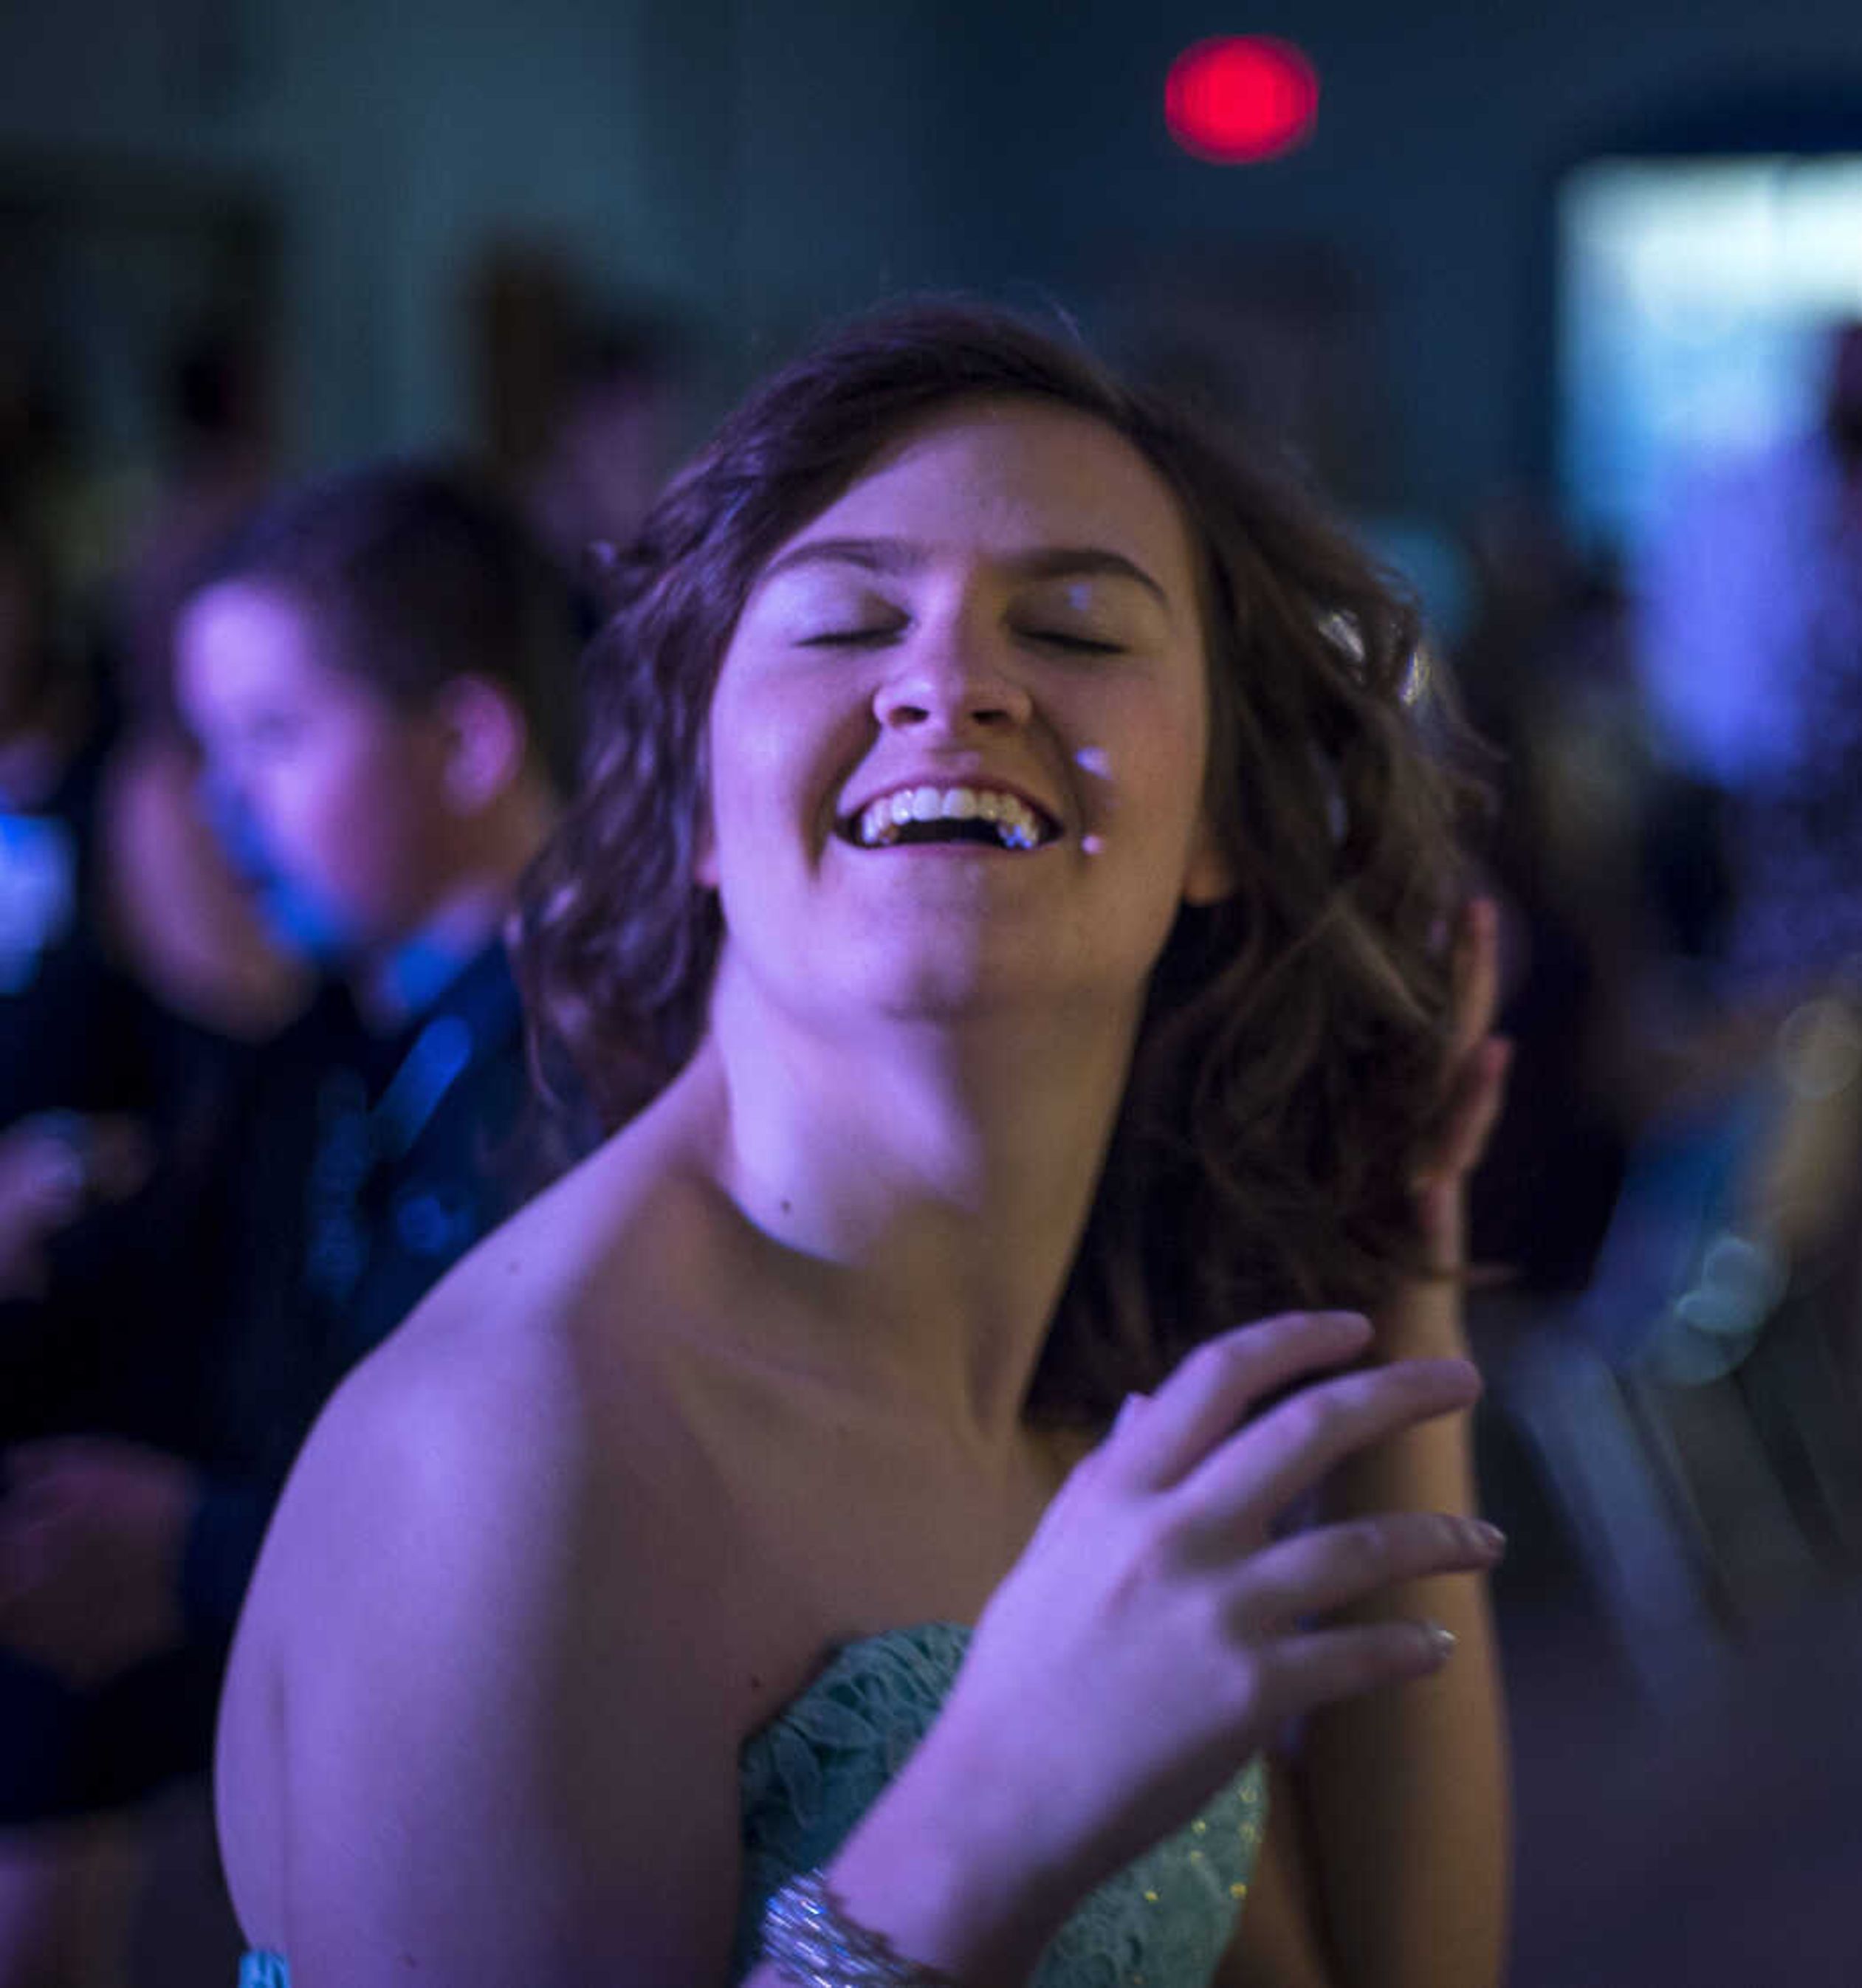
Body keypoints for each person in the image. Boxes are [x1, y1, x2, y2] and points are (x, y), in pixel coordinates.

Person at [213, 304, 1512, 1988]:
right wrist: (975, 1831)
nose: (954, 685)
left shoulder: (1083, 1401)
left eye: (1073, 627)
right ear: (692, 793)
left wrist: (1396, 1282)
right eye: (845, 623)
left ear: (1219, 826)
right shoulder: (513, 1443)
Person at [0, 466, 577, 1984]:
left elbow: (538, 1529)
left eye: (274, 735)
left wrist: (193, 1555)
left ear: (465, 741)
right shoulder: (327, 1042)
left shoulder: (579, 1078)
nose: (218, 798)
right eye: (208, 745)